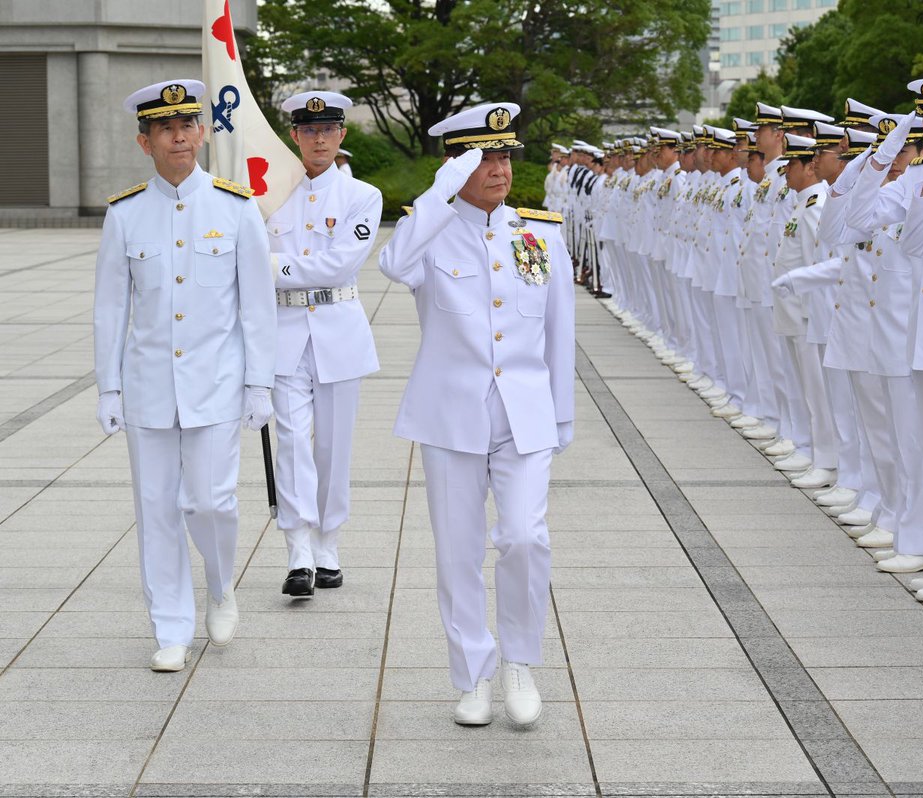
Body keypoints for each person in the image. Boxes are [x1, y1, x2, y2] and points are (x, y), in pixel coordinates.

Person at [378, 102, 574, 728]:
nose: (499, 168)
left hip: (523, 413)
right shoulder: (426, 232)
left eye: (504, 156)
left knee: (524, 537)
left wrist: (560, 415)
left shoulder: (539, 234)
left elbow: (557, 331)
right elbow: (392, 265)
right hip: (450, 414)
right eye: (483, 157)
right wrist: (437, 193)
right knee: (457, 552)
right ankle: (472, 674)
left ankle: (519, 660)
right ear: (455, 163)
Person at [93, 78, 275, 671]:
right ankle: (170, 626)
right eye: (164, 128)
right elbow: (110, 308)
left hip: (217, 386)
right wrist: (109, 387)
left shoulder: (236, 207)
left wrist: (260, 383)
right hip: (148, 388)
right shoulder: (124, 215)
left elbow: (256, 307)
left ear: (201, 132)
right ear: (145, 142)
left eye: (186, 125)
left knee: (211, 502)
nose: (178, 136)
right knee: (157, 509)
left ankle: (221, 586)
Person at [268, 91, 382, 598]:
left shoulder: (363, 196)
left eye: (327, 130)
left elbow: (339, 266)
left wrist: (272, 269)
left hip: (337, 329)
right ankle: (298, 550)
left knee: (333, 445)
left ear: (341, 135)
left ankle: (328, 542)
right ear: (294, 136)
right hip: (283, 331)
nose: (318, 138)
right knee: (291, 441)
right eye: (308, 130)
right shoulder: (269, 193)